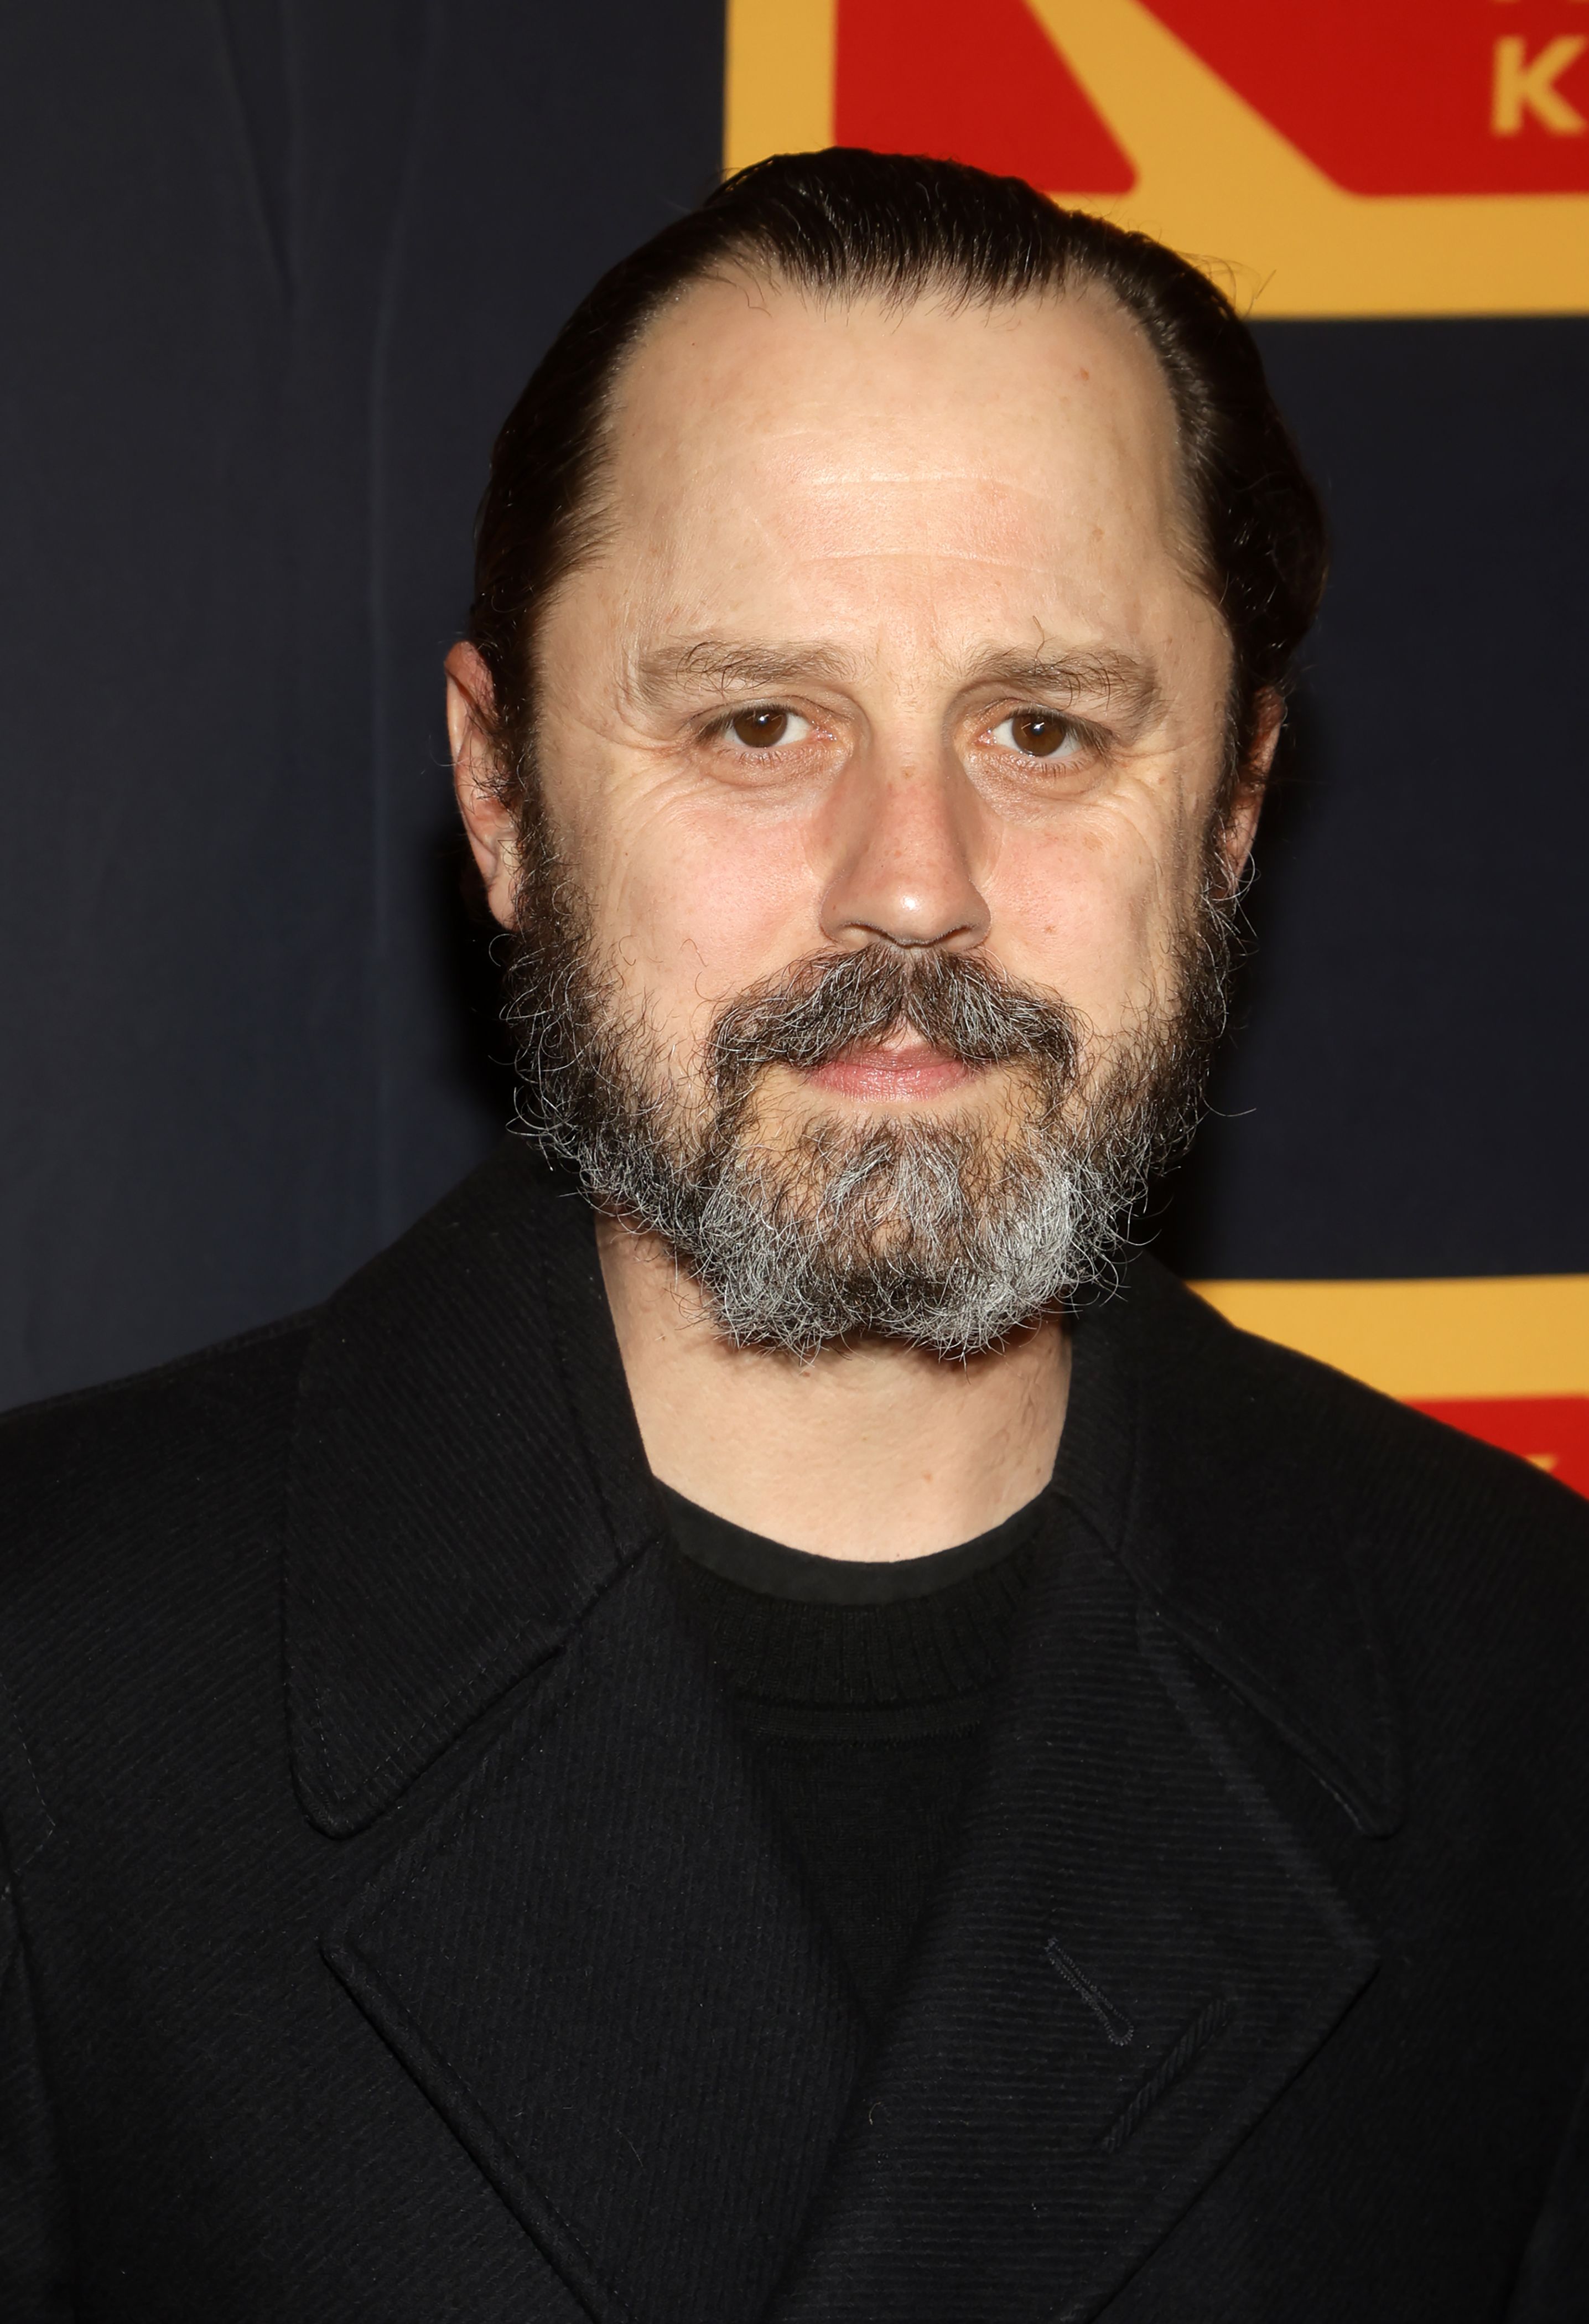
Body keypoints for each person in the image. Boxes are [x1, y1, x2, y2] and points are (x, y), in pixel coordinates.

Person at [2, 149, 1585, 2323]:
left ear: (1230, 813)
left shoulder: (1530, 1702)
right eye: (759, 724)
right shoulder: (50, 1683)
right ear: (499, 798)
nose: (911, 880)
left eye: (1042, 730)